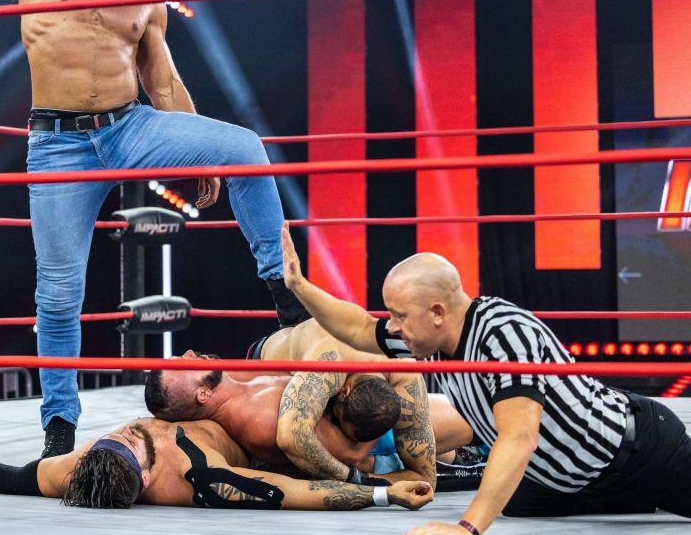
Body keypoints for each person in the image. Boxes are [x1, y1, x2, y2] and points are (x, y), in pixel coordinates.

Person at [1, 0, 309, 457]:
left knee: (244, 148)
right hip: (59, 144)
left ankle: (280, 284)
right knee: (58, 294)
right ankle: (59, 422)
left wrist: (200, 155)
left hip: (129, 126)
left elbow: (162, 83)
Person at [278, 223, 691, 533]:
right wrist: (299, 286)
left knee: (499, 496)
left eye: (400, 316)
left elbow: (519, 438)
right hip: (568, 477)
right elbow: (359, 329)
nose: (394, 326)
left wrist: (466, 528)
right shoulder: (432, 336)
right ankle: (625, 497)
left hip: (637, 451)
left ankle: (642, 489)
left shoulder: (503, 336)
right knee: (514, 502)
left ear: (437, 312)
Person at [0, 417, 433, 511]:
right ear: (145, 477)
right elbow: (290, 491)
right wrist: (382, 494)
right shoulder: (196, 476)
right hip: (276, 442)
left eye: (111, 438)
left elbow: (7, 478)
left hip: (222, 398)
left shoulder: (71, 471)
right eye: (130, 441)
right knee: (417, 438)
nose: (121, 430)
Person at [144, 350, 471, 487]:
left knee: (462, 441)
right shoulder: (259, 420)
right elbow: (350, 452)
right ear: (202, 394)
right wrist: (381, 405)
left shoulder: (231, 376)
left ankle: (464, 458)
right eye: (186, 364)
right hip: (376, 437)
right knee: (475, 418)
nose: (190, 354)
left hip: (359, 408)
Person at [247, 319, 485, 477]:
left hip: (325, 376)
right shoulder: (325, 368)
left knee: (363, 452)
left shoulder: (404, 371)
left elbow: (424, 477)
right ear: (343, 392)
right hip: (272, 368)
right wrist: (352, 478)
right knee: (342, 454)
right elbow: (290, 438)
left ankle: (468, 457)